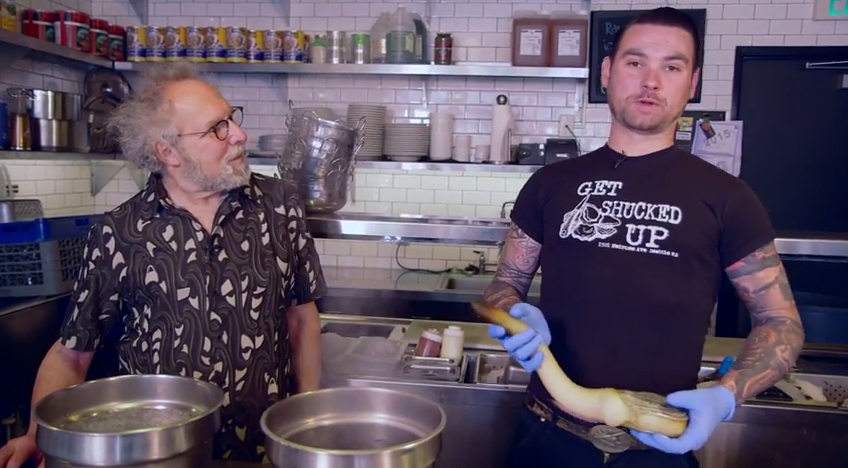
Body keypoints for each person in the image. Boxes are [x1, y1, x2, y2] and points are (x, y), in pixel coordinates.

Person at [484, 7, 804, 468]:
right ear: (607, 73)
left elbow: (781, 322)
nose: (651, 80)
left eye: (671, 67)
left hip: (656, 447)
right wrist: (512, 312)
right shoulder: (550, 183)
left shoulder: (729, 197)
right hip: (545, 436)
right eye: (635, 63)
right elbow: (504, 283)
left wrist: (725, 395)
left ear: (691, 84)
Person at [0, 62, 327, 467]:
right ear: (168, 151)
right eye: (216, 129)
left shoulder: (278, 206)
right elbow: (71, 353)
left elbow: (302, 317)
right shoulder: (120, 232)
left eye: (232, 118)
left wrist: (307, 419)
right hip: (159, 455)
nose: (239, 135)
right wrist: (37, 435)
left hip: (263, 449)